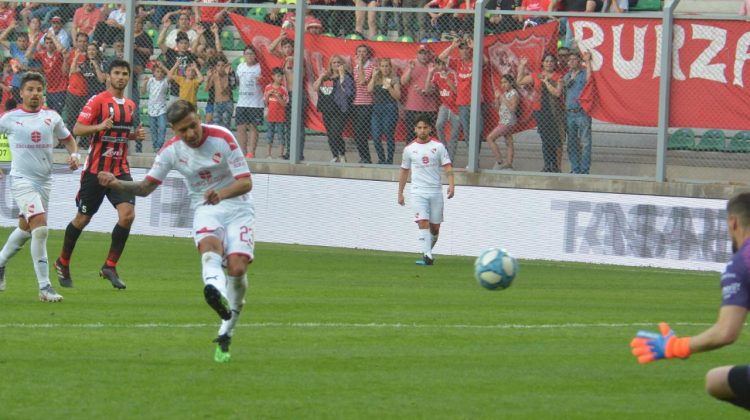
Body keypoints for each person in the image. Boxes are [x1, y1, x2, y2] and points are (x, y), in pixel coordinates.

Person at [97, 99, 254, 363]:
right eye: (183, 130)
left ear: (199, 116)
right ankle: (213, 289)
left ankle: (226, 331)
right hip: (206, 207)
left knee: (237, 269)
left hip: (238, 206)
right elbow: (146, 188)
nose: (191, 134)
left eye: (193, 126)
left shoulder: (222, 137)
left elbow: (246, 182)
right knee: (209, 249)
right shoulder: (171, 151)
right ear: (173, 130)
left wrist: (222, 193)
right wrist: (117, 183)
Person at [630, 192, 750, 411]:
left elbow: (726, 332)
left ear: (733, 222)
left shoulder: (742, 263)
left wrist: (676, 346)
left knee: (716, 381)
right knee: (719, 380)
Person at [54, 59, 145, 290]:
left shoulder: (131, 105)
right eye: (117, 73)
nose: (121, 77)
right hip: (95, 170)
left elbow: (121, 134)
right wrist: (98, 127)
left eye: (125, 73)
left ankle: (110, 266)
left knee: (128, 215)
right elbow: (77, 129)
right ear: (108, 76)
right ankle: (63, 262)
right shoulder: (97, 101)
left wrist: (134, 136)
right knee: (82, 219)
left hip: (120, 170)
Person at [0, 72, 79, 301]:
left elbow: (67, 139)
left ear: (43, 93)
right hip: (21, 180)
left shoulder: (52, 117)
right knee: (41, 228)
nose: (35, 94)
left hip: (45, 181)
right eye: (30, 90)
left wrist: (74, 155)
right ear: (22, 93)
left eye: (38, 90)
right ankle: (44, 288)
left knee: (26, 229)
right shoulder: (10, 118)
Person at [398, 115, 455, 266]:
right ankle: (428, 256)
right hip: (418, 191)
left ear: (430, 129)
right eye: (419, 128)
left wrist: (451, 184)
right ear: (415, 129)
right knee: (422, 222)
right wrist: (400, 192)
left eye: (425, 127)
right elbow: (404, 171)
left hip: (436, 192)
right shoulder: (409, 149)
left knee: (435, 228)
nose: (422, 130)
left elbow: (448, 166)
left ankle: (426, 252)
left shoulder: (438, 146)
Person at [517, 54, 565, 173]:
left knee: (556, 140)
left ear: (555, 64)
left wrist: (547, 81)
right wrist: (521, 67)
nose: (549, 63)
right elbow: (519, 81)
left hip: (555, 112)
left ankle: (556, 166)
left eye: (551, 61)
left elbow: (557, 93)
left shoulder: (559, 76)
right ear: (542, 63)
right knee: (545, 139)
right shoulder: (536, 75)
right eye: (547, 61)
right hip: (540, 111)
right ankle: (547, 165)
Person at [313, 54, 355, 163]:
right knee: (330, 134)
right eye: (334, 63)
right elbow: (315, 88)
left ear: (342, 65)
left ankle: (342, 154)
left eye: (338, 63)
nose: (336, 64)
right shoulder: (326, 76)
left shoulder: (346, 76)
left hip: (339, 110)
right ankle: (335, 155)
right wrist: (321, 77)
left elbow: (347, 91)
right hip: (327, 109)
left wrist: (341, 75)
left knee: (336, 133)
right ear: (330, 65)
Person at [563, 50, 593, 174]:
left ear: (579, 61)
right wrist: (572, 78)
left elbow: (589, 79)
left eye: (575, 59)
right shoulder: (567, 76)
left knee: (585, 142)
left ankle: (584, 170)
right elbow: (565, 86)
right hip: (570, 113)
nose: (572, 62)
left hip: (582, 112)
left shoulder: (584, 73)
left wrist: (587, 61)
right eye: (570, 60)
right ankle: (575, 169)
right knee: (572, 144)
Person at [425, 58, 461, 161]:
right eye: (439, 65)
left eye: (443, 64)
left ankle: (450, 161)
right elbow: (427, 89)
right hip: (445, 105)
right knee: (439, 124)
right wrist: (429, 73)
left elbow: (456, 91)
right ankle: (444, 146)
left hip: (456, 106)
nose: (441, 67)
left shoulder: (453, 73)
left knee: (454, 135)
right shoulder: (436, 75)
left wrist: (447, 79)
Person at [400, 45, 440, 135]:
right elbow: (403, 82)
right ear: (417, 54)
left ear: (430, 55)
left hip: (429, 108)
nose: (424, 56)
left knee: (428, 136)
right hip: (412, 107)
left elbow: (432, 88)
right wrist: (410, 69)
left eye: (426, 53)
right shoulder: (411, 64)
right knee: (411, 135)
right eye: (421, 53)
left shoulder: (433, 66)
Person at [368, 57, 400, 165]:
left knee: (388, 134)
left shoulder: (394, 78)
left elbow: (397, 96)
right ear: (379, 67)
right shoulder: (376, 78)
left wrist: (389, 86)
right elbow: (369, 90)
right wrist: (373, 77)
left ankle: (389, 160)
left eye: (387, 66)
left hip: (390, 108)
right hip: (377, 108)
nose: (385, 68)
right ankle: (381, 159)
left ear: (390, 67)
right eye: (382, 66)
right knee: (376, 136)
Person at [235, 46, 264, 158]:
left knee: (253, 127)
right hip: (242, 102)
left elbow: (266, 80)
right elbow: (236, 82)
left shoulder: (260, 67)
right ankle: (242, 152)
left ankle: (251, 152)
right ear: (244, 55)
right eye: (247, 53)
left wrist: (261, 80)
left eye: (251, 53)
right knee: (240, 128)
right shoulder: (240, 67)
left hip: (256, 103)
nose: (249, 56)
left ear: (255, 55)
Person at [487, 74, 520, 170]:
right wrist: (497, 99)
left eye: (505, 82)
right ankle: (509, 163)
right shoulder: (504, 94)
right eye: (501, 83)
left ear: (511, 83)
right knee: (509, 142)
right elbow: (498, 108)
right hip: (503, 120)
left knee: (490, 138)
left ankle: (499, 161)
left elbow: (513, 108)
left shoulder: (514, 93)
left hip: (508, 121)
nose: (503, 85)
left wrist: (502, 97)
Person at [351, 44, 375, 164]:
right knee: (356, 133)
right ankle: (363, 157)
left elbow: (361, 81)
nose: (361, 54)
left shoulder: (371, 67)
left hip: (366, 104)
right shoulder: (355, 67)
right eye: (359, 51)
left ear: (368, 54)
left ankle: (366, 158)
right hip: (355, 103)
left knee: (362, 132)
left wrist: (360, 65)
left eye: (364, 52)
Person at [141, 61, 170, 151]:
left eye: (161, 72)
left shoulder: (165, 82)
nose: (159, 73)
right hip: (151, 109)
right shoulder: (150, 80)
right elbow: (143, 92)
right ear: (154, 72)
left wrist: (163, 66)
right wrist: (145, 83)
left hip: (161, 109)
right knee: (153, 129)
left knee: (162, 127)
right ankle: (155, 146)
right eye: (157, 71)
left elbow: (170, 75)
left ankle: (159, 145)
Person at [264, 67, 289, 159]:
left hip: (280, 117)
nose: (280, 78)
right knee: (269, 135)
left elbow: (284, 104)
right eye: (278, 76)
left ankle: (280, 155)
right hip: (270, 116)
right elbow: (266, 103)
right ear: (273, 77)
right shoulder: (268, 87)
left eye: (281, 76)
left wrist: (278, 97)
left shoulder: (283, 89)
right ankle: (268, 155)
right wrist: (268, 95)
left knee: (281, 136)